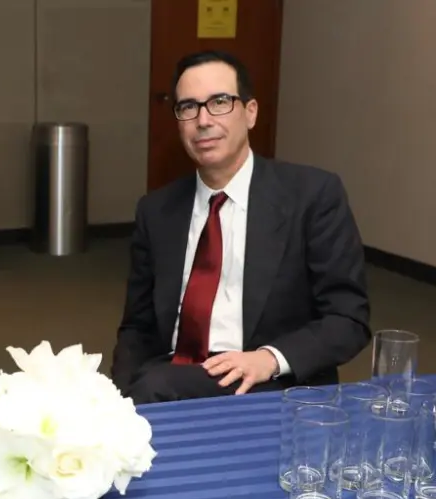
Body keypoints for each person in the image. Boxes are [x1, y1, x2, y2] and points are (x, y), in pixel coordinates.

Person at [110, 50, 371, 404]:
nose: (203, 119)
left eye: (219, 101)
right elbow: (136, 328)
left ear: (250, 113)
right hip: (168, 376)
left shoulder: (312, 195)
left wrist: (270, 359)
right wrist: (120, 398)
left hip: (268, 382)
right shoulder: (157, 210)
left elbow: (348, 319)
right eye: (188, 107)